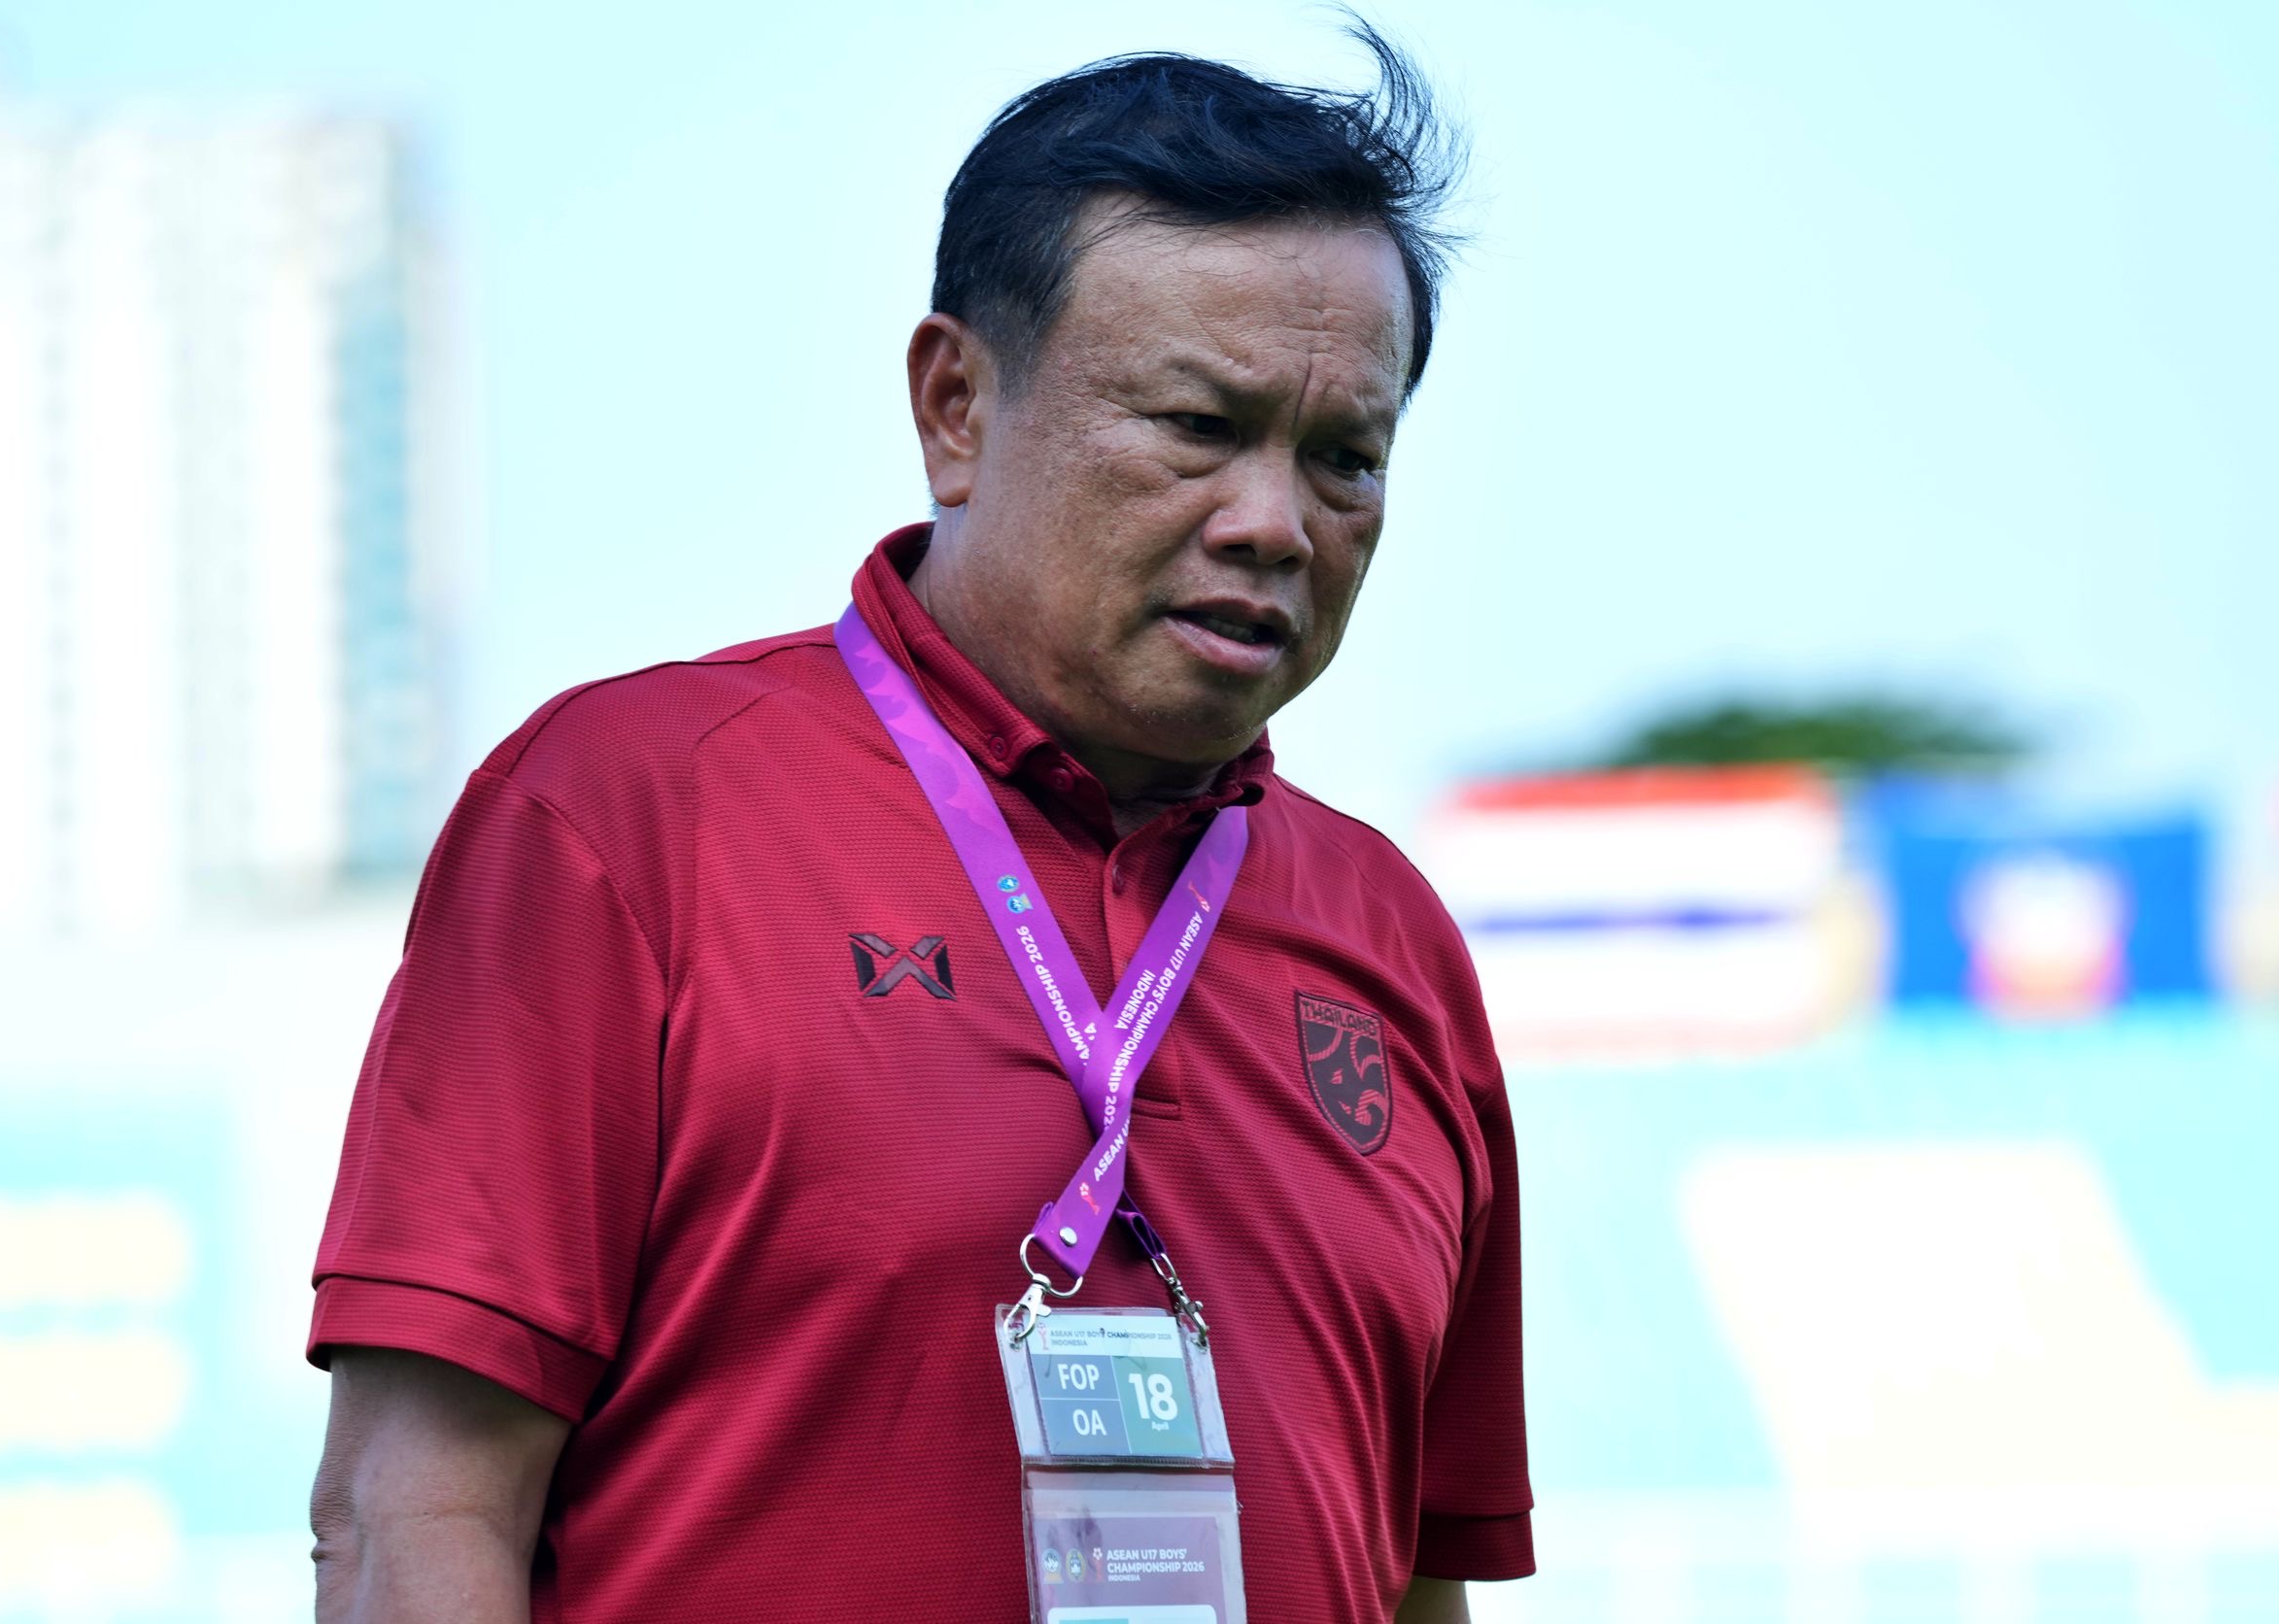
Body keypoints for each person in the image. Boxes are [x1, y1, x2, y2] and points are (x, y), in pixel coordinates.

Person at [307, 25, 1530, 1624]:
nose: (1274, 523)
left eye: (1344, 458)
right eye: (1197, 426)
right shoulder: (627, 815)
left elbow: (1416, 1577)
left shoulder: (1395, 944)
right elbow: (413, 1516)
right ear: (955, 405)